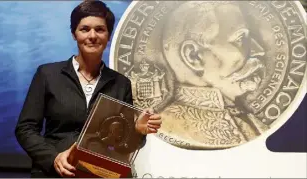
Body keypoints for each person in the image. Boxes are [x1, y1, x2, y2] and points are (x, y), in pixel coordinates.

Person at [14, 1, 162, 178]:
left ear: (108, 35)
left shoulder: (121, 83)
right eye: (84, 29)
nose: (92, 36)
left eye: (100, 29)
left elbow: (124, 145)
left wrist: (138, 130)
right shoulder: (47, 74)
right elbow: (25, 129)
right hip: (54, 173)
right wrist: (53, 158)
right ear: (74, 34)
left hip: (99, 174)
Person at [159, 1, 268, 149]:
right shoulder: (164, 124)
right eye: (240, 39)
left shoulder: (248, 118)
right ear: (194, 56)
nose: (258, 50)